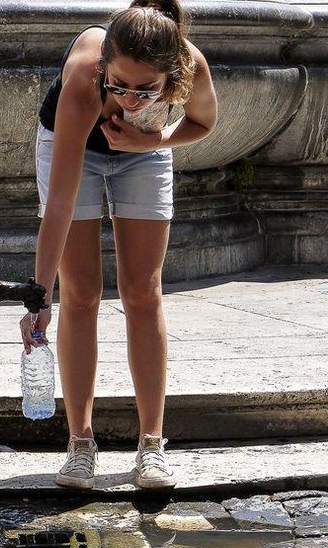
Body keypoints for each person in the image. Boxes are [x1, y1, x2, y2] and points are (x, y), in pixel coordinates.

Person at [21, 0, 217, 490]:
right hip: (73, 147)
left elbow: (203, 124)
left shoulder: (190, 68)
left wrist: (154, 142)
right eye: (120, 84)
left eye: (146, 89)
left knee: (142, 292)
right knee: (81, 293)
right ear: (105, 66)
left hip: (144, 152)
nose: (130, 97)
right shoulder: (86, 81)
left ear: (171, 75)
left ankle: (151, 445)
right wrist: (37, 296)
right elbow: (61, 204)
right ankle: (80, 445)